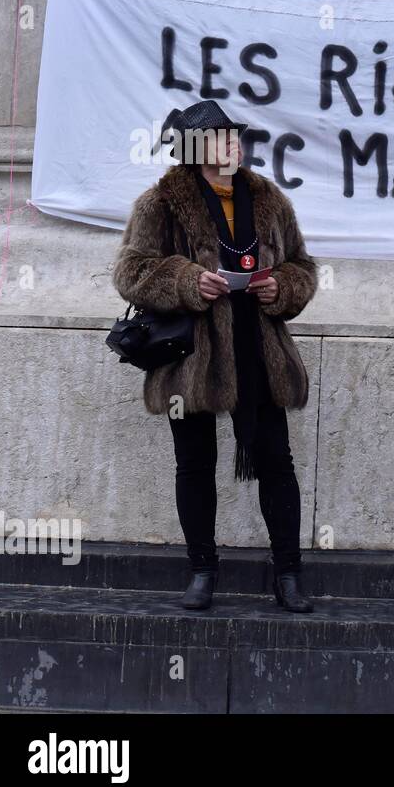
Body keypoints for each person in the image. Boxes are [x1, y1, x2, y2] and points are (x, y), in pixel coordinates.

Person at [113, 99, 318, 612]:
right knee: (194, 464)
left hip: (259, 348)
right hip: (192, 357)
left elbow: (303, 266)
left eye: (235, 136)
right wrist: (186, 280)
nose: (233, 144)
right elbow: (131, 272)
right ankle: (202, 570)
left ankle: (288, 575)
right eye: (221, 136)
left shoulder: (269, 199)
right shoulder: (160, 203)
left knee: (277, 460)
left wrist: (284, 288)